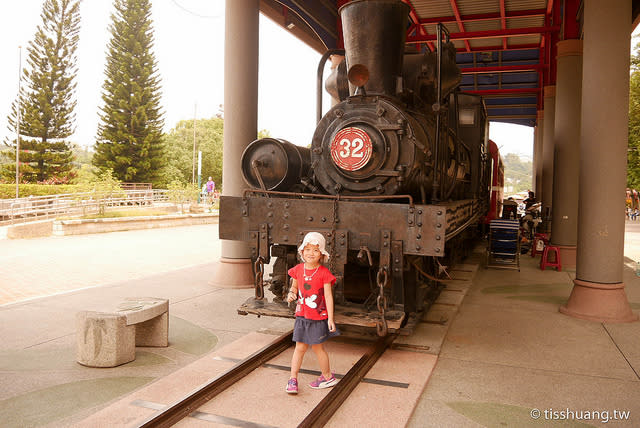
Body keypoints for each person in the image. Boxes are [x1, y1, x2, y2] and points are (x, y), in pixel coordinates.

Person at [285, 232, 339, 394]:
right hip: (302, 316)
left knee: (317, 348)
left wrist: (330, 318)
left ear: (321, 254)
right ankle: (293, 379)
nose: (311, 253)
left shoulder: (324, 273)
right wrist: (291, 294)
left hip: (317, 318)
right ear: (302, 252)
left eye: (315, 250)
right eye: (307, 249)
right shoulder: (298, 270)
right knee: (299, 347)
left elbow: (328, 296)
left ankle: (327, 376)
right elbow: (294, 287)